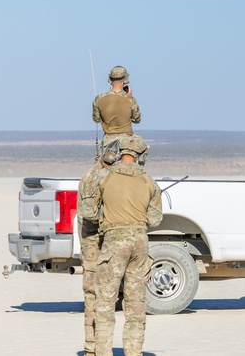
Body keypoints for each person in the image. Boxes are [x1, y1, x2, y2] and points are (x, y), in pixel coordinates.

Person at [89, 136, 162, 356]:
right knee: (136, 304)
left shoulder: (104, 176)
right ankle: (134, 352)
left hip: (113, 242)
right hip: (139, 244)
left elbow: (90, 212)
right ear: (139, 156)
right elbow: (155, 219)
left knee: (105, 303)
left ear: (120, 153)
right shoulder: (149, 181)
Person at [76, 139, 121, 356]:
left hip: (103, 244)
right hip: (94, 245)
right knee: (94, 295)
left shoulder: (106, 175)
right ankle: (91, 348)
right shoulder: (95, 177)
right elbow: (90, 215)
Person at [92, 66, 141, 147]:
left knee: (99, 159)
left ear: (110, 80)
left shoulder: (99, 98)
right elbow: (136, 119)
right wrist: (129, 98)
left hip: (108, 142)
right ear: (125, 80)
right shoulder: (130, 99)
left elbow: (96, 119)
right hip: (127, 141)